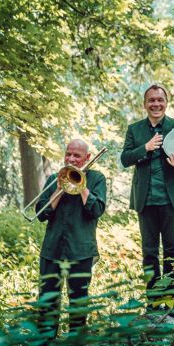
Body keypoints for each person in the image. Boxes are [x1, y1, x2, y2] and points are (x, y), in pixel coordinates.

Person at [121, 84, 174, 313]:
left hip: (171, 199)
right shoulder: (135, 129)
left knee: (172, 250)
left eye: (160, 100)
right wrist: (145, 148)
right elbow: (125, 158)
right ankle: (153, 302)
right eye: (151, 100)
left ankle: (170, 302)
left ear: (166, 102)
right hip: (145, 200)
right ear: (145, 104)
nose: (156, 104)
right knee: (149, 251)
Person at [35, 139, 107, 335]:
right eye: (69, 154)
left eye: (77, 155)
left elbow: (97, 210)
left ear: (87, 158)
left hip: (81, 250)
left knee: (78, 302)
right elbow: (41, 214)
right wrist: (59, 188)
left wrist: (81, 185)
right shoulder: (53, 179)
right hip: (52, 249)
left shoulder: (97, 179)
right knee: (48, 300)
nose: (71, 159)